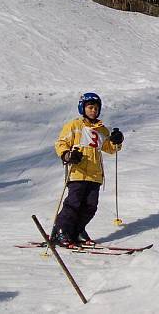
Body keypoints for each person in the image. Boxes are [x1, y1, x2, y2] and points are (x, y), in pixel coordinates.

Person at [52, 92, 124, 247]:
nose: (93, 111)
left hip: (95, 175)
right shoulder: (74, 125)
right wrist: (67, 155)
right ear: (82, 108)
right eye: (90, 107)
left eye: (96, 108)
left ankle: (77, 231)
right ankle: (61, 231)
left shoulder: (102, 130)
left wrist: (116, 141)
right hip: (77, 172)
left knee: (90, 206)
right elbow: (61, 143)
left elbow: (110, 149)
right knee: (73, 204)